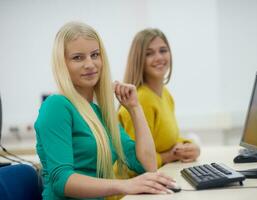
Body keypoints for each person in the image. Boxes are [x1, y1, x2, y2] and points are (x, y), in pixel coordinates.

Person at [34, 22, 176, 200]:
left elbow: (147, 165)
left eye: (95, 55)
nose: (90, 64)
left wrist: (134, 108)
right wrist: (125, 185)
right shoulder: (56, 107)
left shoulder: (99, 113)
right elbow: (62, 181)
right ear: (62, 64)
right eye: (78, 58)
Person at [118, 28, 200, 170]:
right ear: (139, 60)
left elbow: (168, 140)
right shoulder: (141, 100)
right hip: (130, 188)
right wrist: (169, 156)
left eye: (163, 50)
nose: (159, 57)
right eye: (149, 53)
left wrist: (189, 146)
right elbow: (134, 162)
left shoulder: (165, 94)